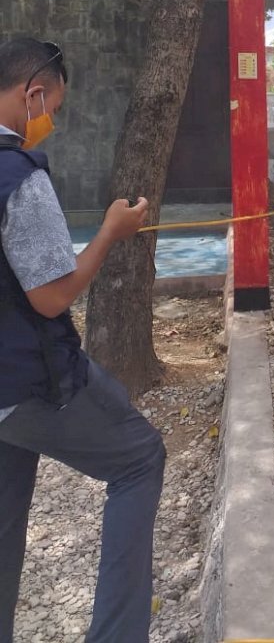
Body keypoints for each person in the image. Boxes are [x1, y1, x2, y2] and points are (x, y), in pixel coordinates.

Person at [0, 37, 166, 643]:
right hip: (31, 381)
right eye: (53, 108)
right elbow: (51, 295)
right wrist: (111, 232)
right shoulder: (19, 174)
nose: (51, 122)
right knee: (141, 457)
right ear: (32, 93)